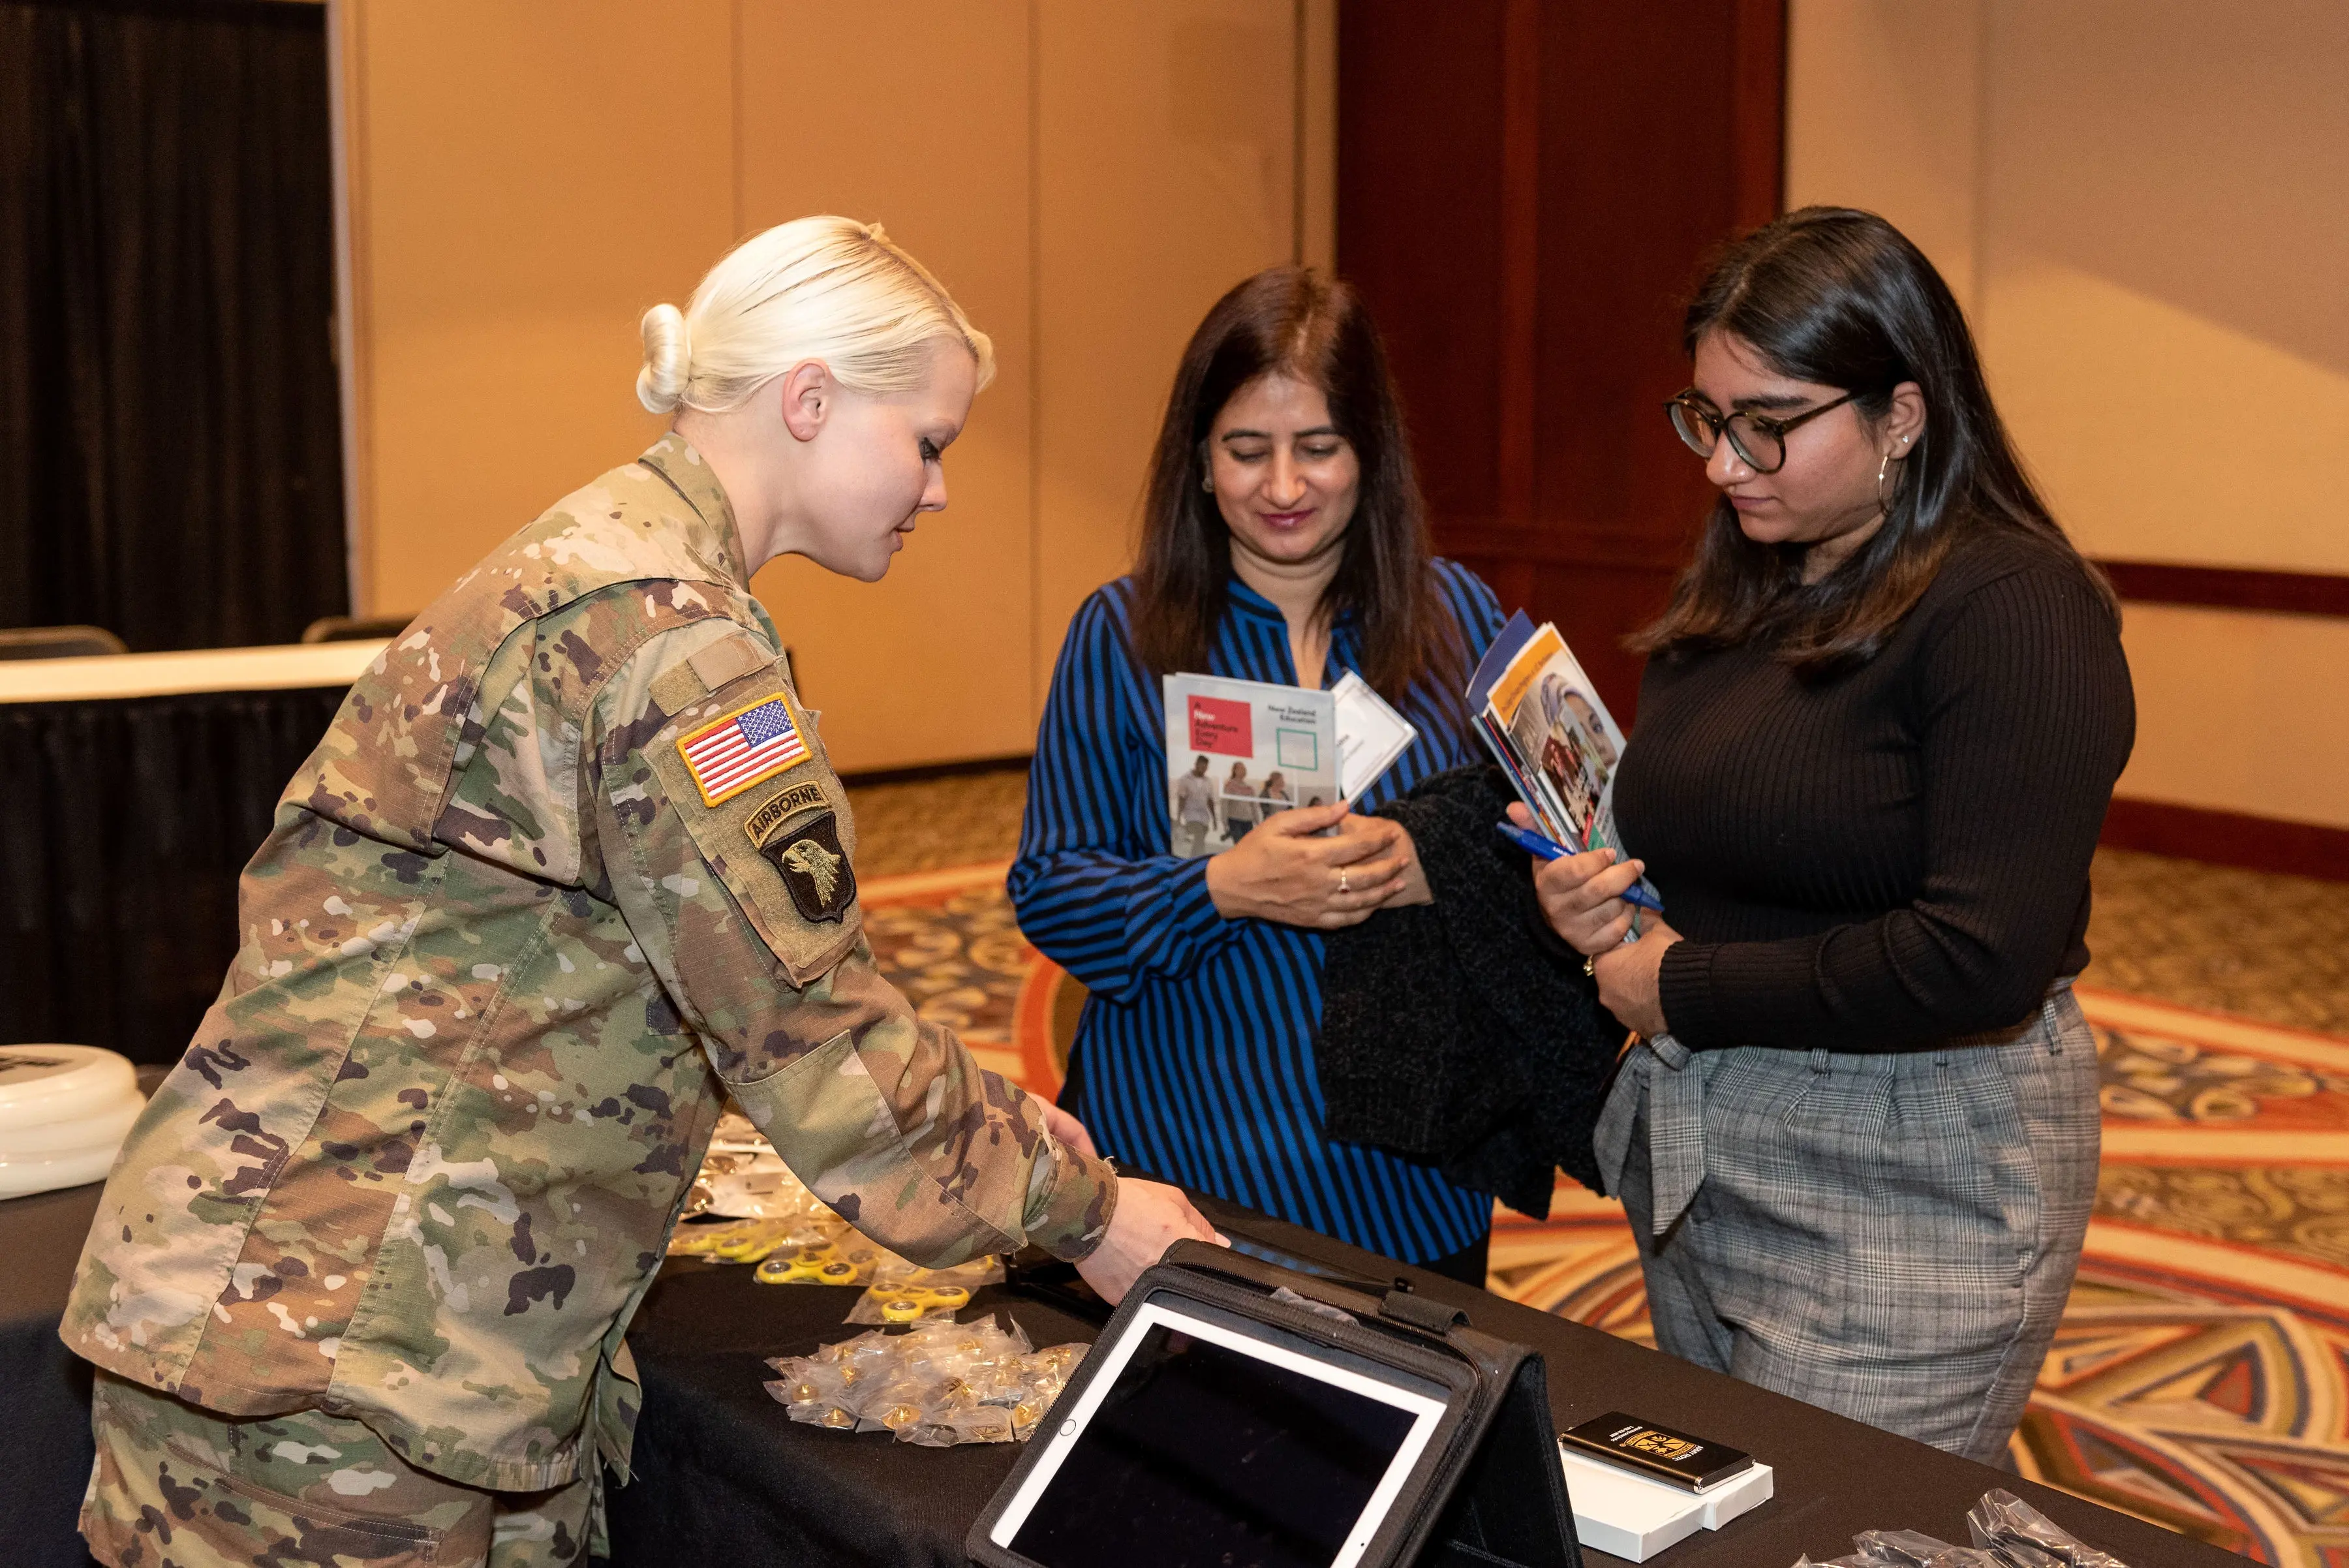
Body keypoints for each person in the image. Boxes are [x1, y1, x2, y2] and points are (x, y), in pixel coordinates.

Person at [63, 216, 1216, 1568]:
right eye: (931, 440)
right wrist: (1092, 1208)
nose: (941, 488)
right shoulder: (673, 641)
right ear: (810, 401)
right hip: (334, 1373)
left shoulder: (607, 564)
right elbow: (821, 1045)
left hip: (320, 1319)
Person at [1520, 208, 2133, 1462]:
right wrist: (1602, 903)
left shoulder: (2017, 609)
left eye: (1769, 424)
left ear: (1902, 416)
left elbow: (1981, 955)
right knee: (1718, 1509)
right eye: (1706, 417)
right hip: (1704, 1141)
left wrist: (1675, 978)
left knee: (1826, 1529)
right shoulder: (1758, 571)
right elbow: (1718, 836)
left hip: (1916, 1163)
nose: (1724, 464)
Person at [1011, 266, 1510, 1284]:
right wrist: (1218, 888)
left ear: (1371, 453)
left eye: (1318, 447)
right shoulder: (1124, 634)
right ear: (1199, 460)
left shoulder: (1457, 615)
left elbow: (1555, 844)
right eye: (1247, 450)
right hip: (1183, 1174)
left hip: (1411, 1183)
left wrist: (1441, 863)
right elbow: (1052, 887)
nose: (1284, 487)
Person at [1171, 753, 1216, 856]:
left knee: (1201, 836)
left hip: (1204, 815)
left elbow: (1210, 801)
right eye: (1202, 766)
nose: (1203, 769)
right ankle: (1201, 859)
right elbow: (1181, 799)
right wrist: (1178, 818)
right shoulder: (1185, 779)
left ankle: (1193, 858)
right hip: (1190, 814)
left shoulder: (1208, 781)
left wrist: (1215, 820)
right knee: (1199, 834)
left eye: (1205, 767)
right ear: (1196, 764)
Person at [1221, 760, 1257, 846]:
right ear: (1235, 771)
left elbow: (1254, 806)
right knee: (1239, 845)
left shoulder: (1249, 788)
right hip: (1235, 820)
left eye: (1244, 769)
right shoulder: (1229, 785)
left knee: (1248, 846)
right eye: (1241, 769)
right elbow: (1224, 805)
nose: (1244, 771)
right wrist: (1225, 823)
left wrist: (1258, 822)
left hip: (1248, 821)